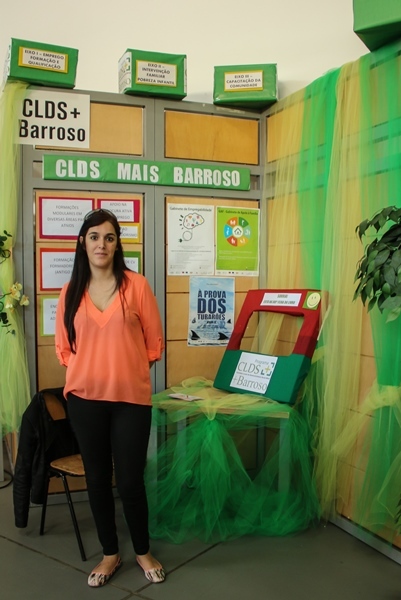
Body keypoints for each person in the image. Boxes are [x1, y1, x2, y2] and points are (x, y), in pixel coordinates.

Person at [55, 208, 165, 587]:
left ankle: (142, 549)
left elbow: (153, 344)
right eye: (94, 236)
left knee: (131, 481)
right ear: (82, 242)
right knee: (98, 480)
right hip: (85, 401)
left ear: (118, 244)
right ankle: (110, 554)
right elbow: (64, 348)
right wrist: (89, 373)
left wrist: (124, 373)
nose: (101, 244)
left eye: (109, 237)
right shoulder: (70, 291)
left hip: (131, 402)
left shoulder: (137, 286)